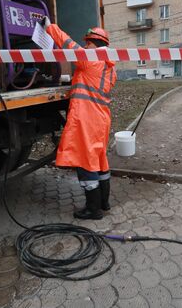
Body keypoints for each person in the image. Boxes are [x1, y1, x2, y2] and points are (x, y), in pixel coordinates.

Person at [42, 16, 116, 220]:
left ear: (96, 45)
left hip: (87, 118)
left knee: (86, 162)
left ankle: (93, 210)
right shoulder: (109, 67)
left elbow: (68, 44)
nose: (85, 46)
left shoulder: (91, 59)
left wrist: (50, 27)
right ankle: (103, 203)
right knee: (100, 159)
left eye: (88, 43)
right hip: (101, 118)